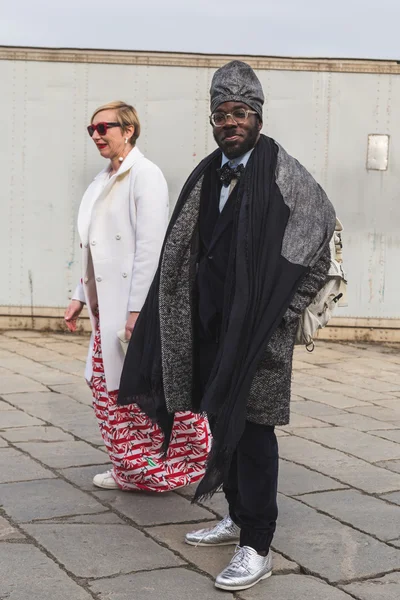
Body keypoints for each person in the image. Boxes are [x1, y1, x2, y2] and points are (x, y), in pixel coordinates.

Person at [118, 62, 336, 592]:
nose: (231, 122)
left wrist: (281, 318)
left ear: (256, 116)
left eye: (240, 113)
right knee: (221, 421)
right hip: (210, 326)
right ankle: (237, 516)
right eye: (222, 115)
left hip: (258, 334)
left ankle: (257, 545)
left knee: (254, 431)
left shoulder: (283, 169)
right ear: (212, 121)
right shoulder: (208, 170)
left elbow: (318, 246)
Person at [64, 101, 210, 492]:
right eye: (91, 129)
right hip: (104, 307)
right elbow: (91, 247)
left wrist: (137, 311)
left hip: (130, 307)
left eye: (104, 127)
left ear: (128, 130)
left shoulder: (146, 175)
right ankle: (130, 469)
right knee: (108, 393)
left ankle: (171, 469)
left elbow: (152, 248)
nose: (96, 134)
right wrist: (79, 295)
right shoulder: (103, 178)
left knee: (140, 394)